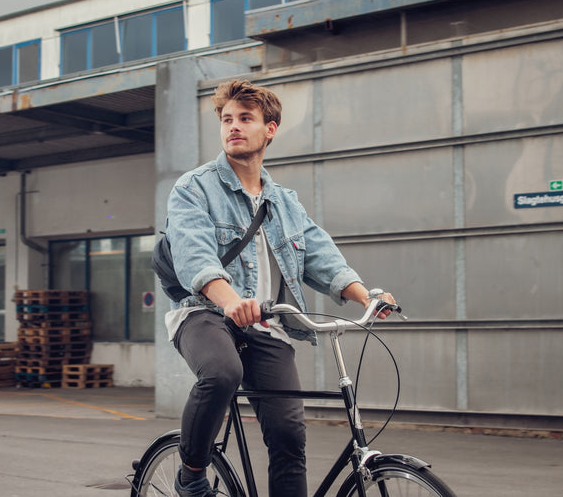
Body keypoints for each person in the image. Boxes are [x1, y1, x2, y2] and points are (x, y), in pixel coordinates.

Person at [162, 79, 396, 497]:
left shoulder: (284, 201)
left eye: (245, 119)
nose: (233, 126)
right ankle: (191, 474)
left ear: (269, 129)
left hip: (268, 326)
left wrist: (367, 295)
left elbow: (321, 256)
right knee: (221, 372)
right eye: (227, 119)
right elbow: (195, 256)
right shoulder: (193, 188)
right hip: (206, 313)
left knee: (289, 436)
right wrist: (231, 301)